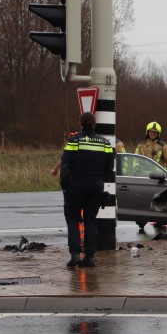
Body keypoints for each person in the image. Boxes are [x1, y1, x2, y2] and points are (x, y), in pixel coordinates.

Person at [59, 112, 114, 268]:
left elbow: (66, 165)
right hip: (96, 186)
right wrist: (99, 179)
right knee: (90, 220)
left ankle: (75, 254)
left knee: (73, 220)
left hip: (75, 186)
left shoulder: (74, 141)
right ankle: (90, 257)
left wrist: (65, 185)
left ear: (80, 123)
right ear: (94, 124)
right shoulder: (104, 143)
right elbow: (109, 167)